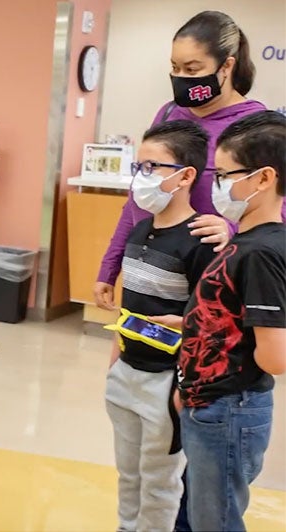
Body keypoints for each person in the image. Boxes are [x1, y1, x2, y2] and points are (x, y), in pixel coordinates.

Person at [94, 11, 286, 312]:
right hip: (152, 274)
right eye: (175, 67)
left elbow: (278, 212)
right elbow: (137, 199)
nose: (181, 77)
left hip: (214, 280)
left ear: (226, 66)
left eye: (193, 69)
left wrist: (233, 230)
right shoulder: (169, 114)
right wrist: (111, 266)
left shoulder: (256, 126)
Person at [105, 120, 216, 531]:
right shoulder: (139, 230)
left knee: (160, 483)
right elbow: (129, 309)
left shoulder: (201, 241)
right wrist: (115, 360)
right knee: (128, 474)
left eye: (152, 168)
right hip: (125, 375)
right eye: (138, 167)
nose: (142, 178)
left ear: (186, 175)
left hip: (166, 382)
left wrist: (185, 387)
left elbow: (211, 322)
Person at [178, 111, 286, 531]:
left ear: (263, 179)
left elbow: (274, 356)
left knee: (216, 521)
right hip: (209, 403)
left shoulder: (261, 253)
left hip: (230, 408)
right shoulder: (243, 241)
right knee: (202, 513)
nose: (216, 186)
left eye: (225, 175)